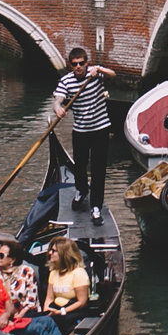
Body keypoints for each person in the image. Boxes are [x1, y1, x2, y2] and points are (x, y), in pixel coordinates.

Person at [50, 46, 117, 217]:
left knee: (98, 168)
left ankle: (96, 206)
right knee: (79, 166)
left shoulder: (94, 74)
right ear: (70, 65)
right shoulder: (66, 81)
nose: (78, 67)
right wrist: (58, 108)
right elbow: (58, 99)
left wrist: (99, 69)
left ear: (86, 63)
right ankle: (81, 191)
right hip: (80, 130)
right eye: (74, 64)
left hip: (100, 128)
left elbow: (113, 75)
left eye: (81, 63)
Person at [0, 240, 63, 335]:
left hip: (27, 312)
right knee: (38, 327)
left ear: (12, 259)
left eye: (1, 255)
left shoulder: (26, 271)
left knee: (48, 321)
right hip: (4, 318)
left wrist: (19, 316)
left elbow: (31, 301)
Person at [45, 236, 93, 328]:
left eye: (54, 251)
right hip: (55, 309)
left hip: (72, 311)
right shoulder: (53, 272)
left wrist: (62, 311)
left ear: (64, 254)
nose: (49, 253)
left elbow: (82, 302)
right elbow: (49, 298)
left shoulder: (78, 273)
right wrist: (46, 311)